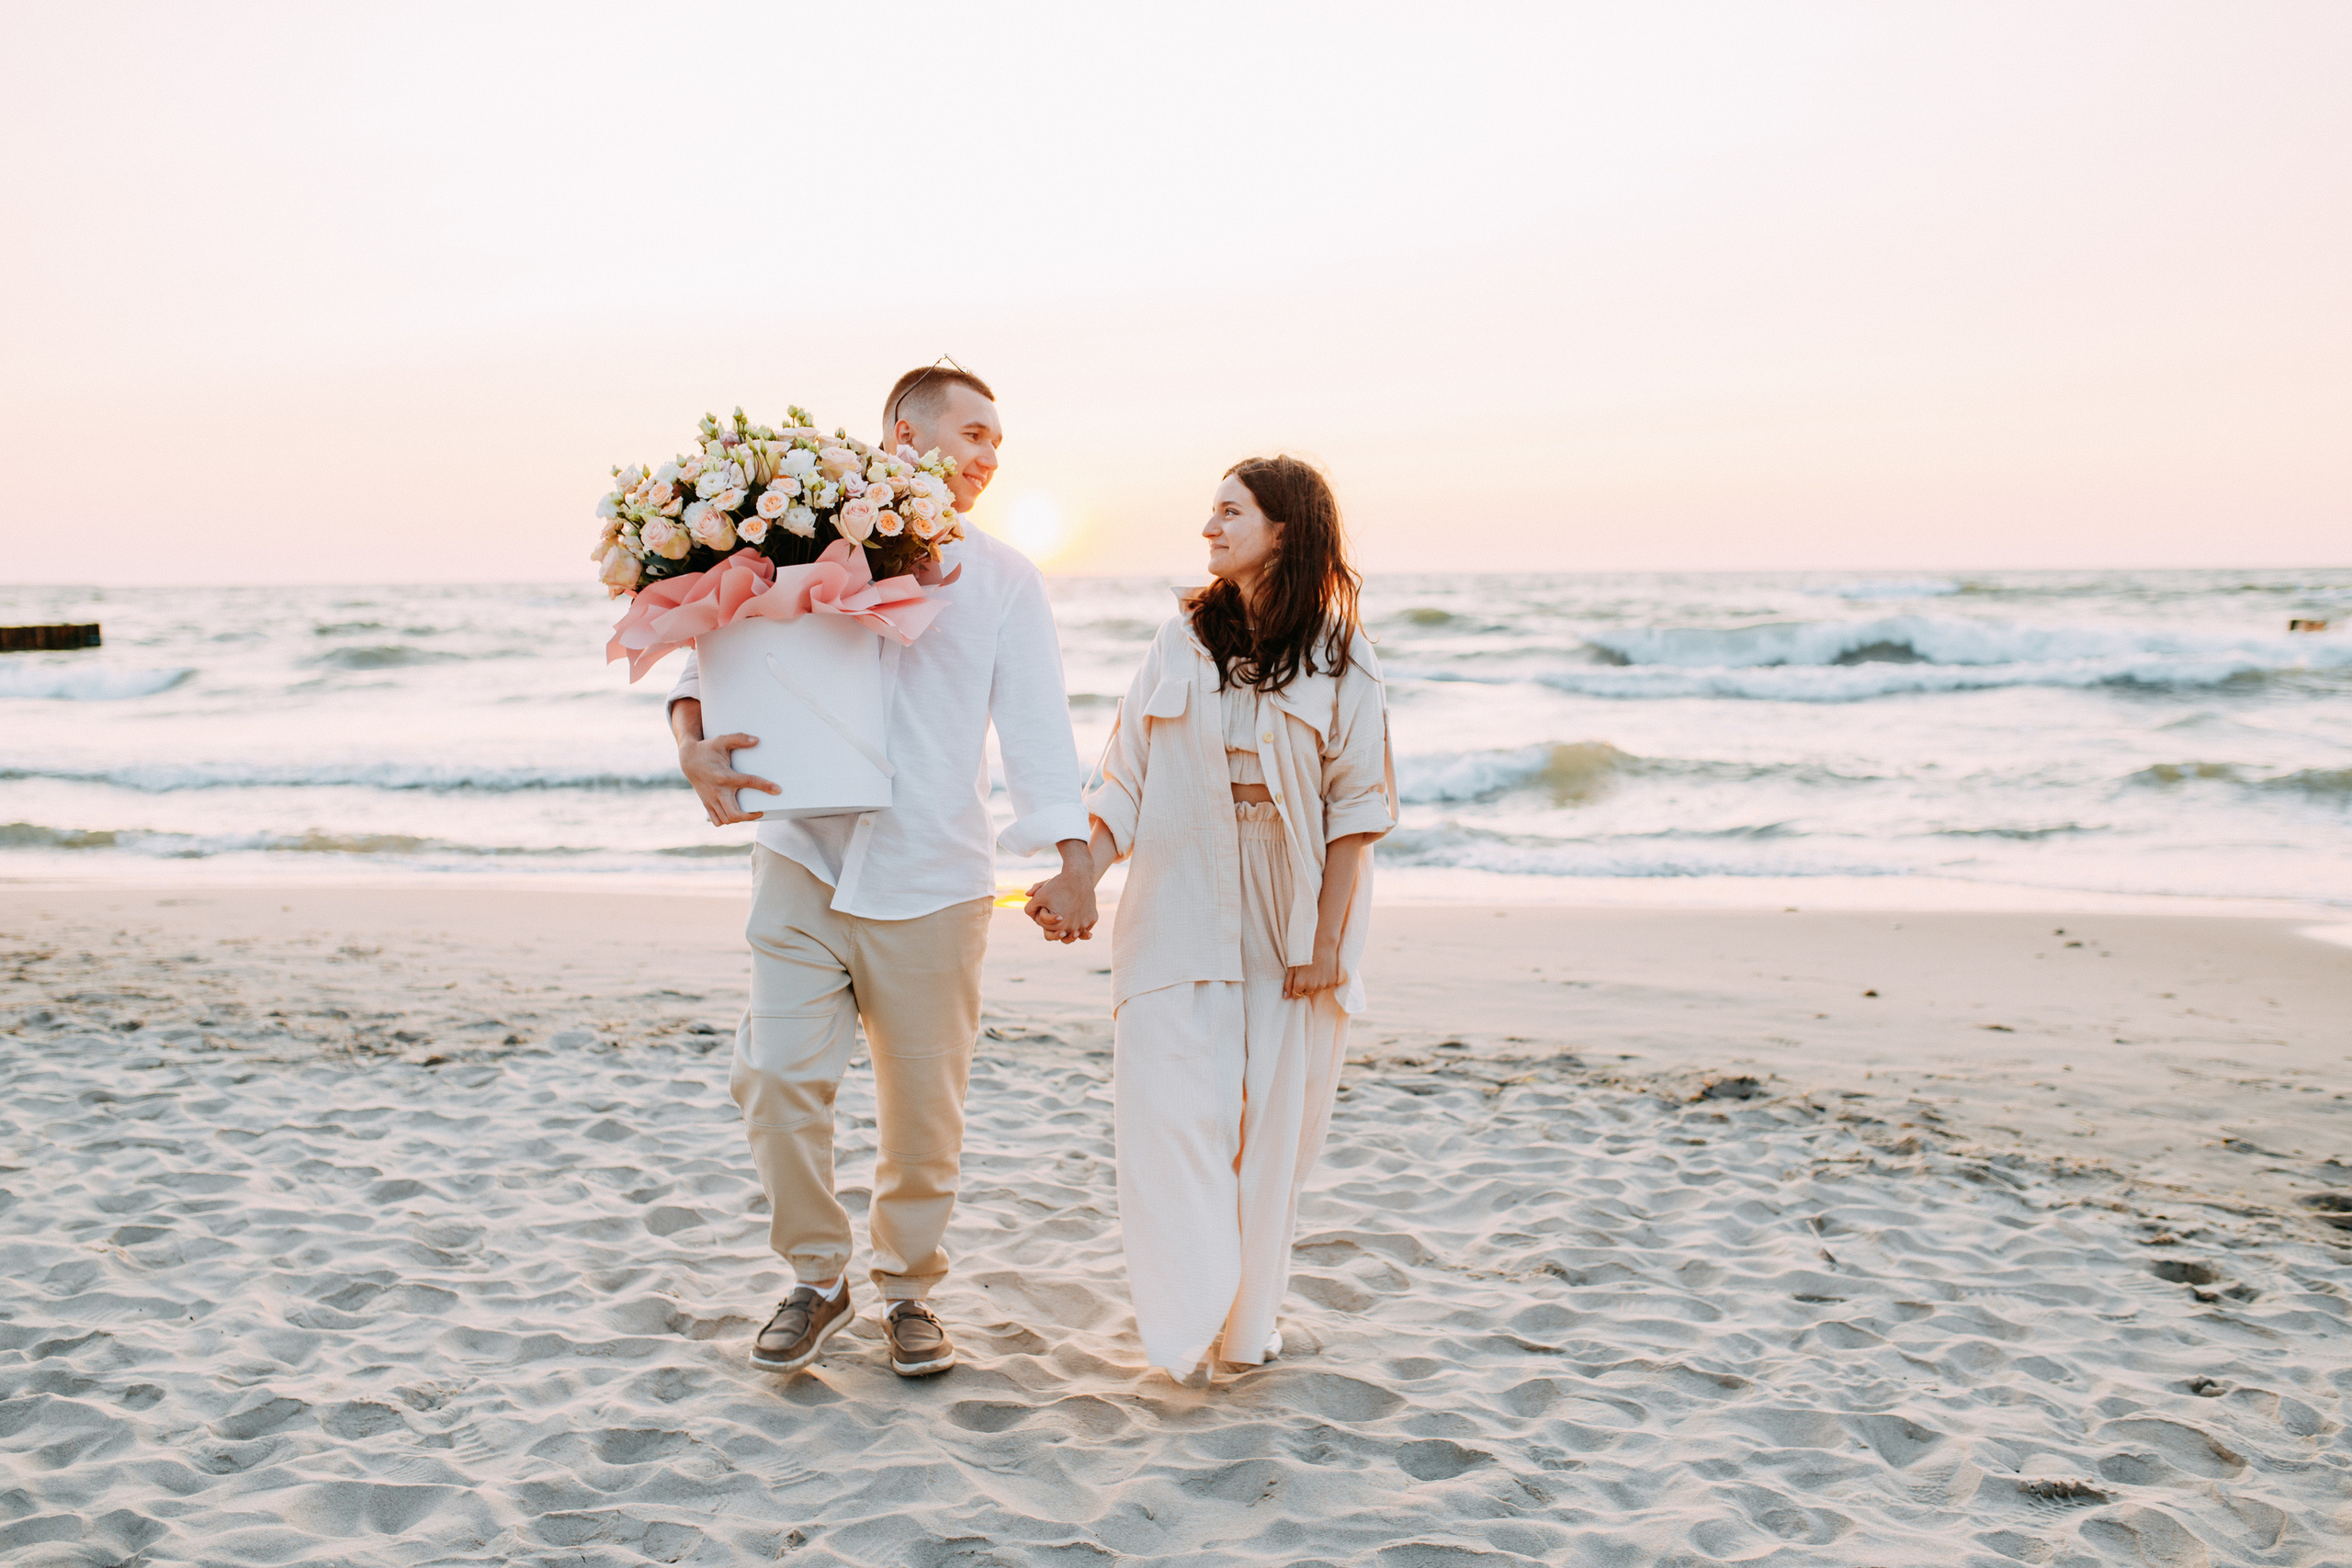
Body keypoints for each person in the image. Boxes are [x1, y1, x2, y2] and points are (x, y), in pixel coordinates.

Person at [668, 366, 1097, 1378]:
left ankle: (908, 1291)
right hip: (801, 858)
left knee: (923, 1112)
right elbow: (704, 657)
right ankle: (818, 1280)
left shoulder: (1003, 579)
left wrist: (1073, 861)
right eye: (975, 434)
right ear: (905, 434)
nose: (991, 457)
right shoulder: (799, 540)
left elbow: (1037, 731)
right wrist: (689, 743)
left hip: (933, 878)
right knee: (774, 1077)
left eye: (1001, 445)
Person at [1047, 454, 1394, 1380]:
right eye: (1209, 512)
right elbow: (1124, 772)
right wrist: (1083, 873)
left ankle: (1243, 1325)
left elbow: (1357, 811)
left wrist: (1324, 945)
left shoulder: (1341, 652)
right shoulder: (1179, 639)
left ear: (1285, 528)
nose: (1208, 528)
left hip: (1291, 906)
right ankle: (1185, 1312)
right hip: (1180, 894)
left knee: (1271, 1126)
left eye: (1229, 512)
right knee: (1167, 1104)